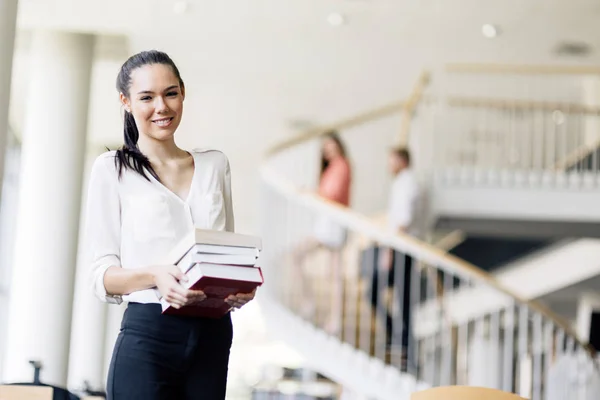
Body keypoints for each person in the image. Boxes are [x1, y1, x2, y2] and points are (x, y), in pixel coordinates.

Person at [85, 50, 255, 400]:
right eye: (146, 97)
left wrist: (241, 285)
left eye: (170, 93)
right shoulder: (111, 169)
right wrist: (155, 276)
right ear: (126, 102)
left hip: (213, 332)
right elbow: (101, 276)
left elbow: (227, 254)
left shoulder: (215, 164)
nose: (161, 107)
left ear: (183, 93)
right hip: (149, 332)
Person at [293, 131, 351, 334]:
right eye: (325, 147)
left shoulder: (342, 165)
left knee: (332, 273)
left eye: (330, 145)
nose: (328, 150)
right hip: (327, 222)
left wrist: (310, 193)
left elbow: (332, 195)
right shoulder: (332, 168)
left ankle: (330, 316)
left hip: (333, 223)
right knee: (331, 272)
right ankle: (319, 309)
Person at [370, 147, 422, 369]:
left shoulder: (406, 183)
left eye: (392, 161)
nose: (389, 166)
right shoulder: (402, 183)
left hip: (402, 248)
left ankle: (404, 348)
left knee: (392, 297)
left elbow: (403, 220)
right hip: (402, 247)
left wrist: (388, 249)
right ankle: (399, 340)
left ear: (402, 161)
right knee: (401, 300)